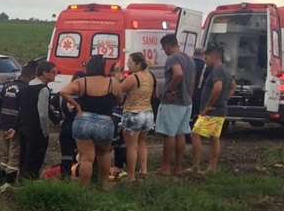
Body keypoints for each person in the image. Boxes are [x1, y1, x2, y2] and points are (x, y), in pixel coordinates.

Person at [60, 55, 121, 185]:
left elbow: (64, 91)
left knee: (86, 159)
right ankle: (104, 184)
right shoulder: (113, 83)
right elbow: (120, 99)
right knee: (104, 154)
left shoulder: (82, 82)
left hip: (83, 120)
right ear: (103, 67)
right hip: (105, 121)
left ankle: (84, 189)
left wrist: (77, 105)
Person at [154, 34, 196, 177]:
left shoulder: (172, 58)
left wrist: (171, 90)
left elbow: (178, 74)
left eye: (163, 48)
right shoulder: (189, 59)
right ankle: (178, 167)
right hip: (187, 102)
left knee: (169, 134)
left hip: (173, 103)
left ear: (168, 45)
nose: (164, 50)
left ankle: (165, 167)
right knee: (180, 134)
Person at [0, 61, 35, 184]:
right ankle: (8, 185)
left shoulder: (7, 86)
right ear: (31, 76)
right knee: (14, 156)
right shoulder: (26, 89)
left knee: (5, 155)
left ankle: (0, 181)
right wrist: (16, 127)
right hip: (15, 128)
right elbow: (23, 110)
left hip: (3, 124)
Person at [191, 46, 233, 174]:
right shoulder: (225, 70)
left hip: (212, 111)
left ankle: (196, 166)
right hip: (220, 109)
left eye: (206, 58)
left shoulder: (217, 70)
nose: (205, 61)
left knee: (195, 134)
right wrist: (225, 99)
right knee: (214, 138)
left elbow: (218, 88)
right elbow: (233, 86)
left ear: (215, 57)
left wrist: (208, 105)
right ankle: (212, 167)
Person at [16, 61, 58, 179]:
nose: (55, 75)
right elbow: (43, 113)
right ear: (44, 73)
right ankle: (31, 184)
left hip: (24, 128)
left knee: (24, 158)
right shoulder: (43, 90)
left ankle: (22, 182)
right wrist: (45, 131)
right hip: (36, 130)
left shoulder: (26, 87)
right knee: (34, 160)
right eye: (53, 72)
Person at [118, 52, 155, 181]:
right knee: (142, 143)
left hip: (133, 113)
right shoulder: (150, 76)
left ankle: (131, 175)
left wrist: (118, 75)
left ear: (138, 64)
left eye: (130, 63)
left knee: (131, 146)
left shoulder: (133, 78)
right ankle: (144, 170)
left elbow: (118, 90)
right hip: (148, 112)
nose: (128, 65)